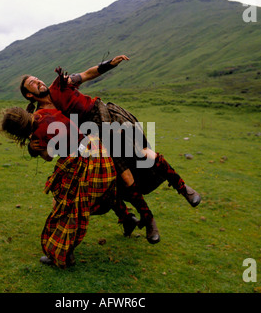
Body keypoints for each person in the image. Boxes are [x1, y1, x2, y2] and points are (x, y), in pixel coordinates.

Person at [19, 55, 201, 244]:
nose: (38, 81)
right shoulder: (40, 115)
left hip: (106, 117)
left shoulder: (61, 84)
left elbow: (87, 74)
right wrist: (33, 147)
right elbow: (43, 140)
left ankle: (183, 189)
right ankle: (145, 219)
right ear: (29, 95)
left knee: (143, 154)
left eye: (36, 78)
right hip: (91, 139)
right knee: (118, 179)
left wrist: (109, 64)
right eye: (32, 83)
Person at [0, 106, 138, 268]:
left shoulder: (38, 135)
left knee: (67, 205)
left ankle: (64, 253)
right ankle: (128, 219)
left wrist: (33, 148)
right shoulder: (42, 113)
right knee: (103, 192)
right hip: (96, 149)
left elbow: (48, 157)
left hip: (81, 161)